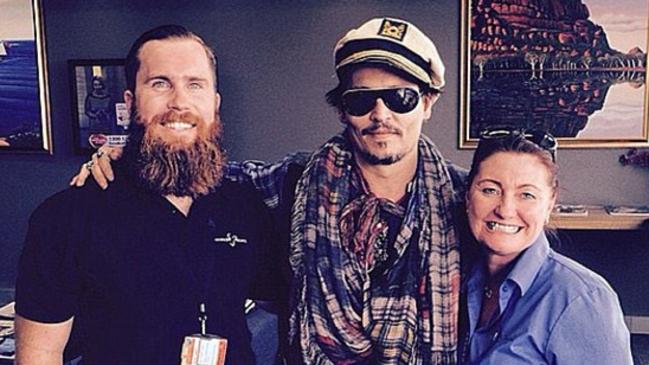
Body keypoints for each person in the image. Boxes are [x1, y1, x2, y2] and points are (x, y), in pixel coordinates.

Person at [71, 17, 467, 364]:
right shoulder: (294, 184)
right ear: (342, 109)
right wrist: (129, 151)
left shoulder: (467, 202)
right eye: (361, 99)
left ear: (427, 103)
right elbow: (193, 170)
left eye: (400, 98)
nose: (380, 115)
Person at [15, 25, 282, 365]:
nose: (179, 102)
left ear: (215, 104)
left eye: (195, 85)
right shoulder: (66, 217)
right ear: (130, 101)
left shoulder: (246, 204)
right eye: (160, 84)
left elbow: (281, 302)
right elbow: (40, 353)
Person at [458, 128, 632, 364]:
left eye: (527, 195)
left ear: (550, 204)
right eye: (490, 190)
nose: (505, 210)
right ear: (468, 197)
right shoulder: (452, 279)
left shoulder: (581, 299)